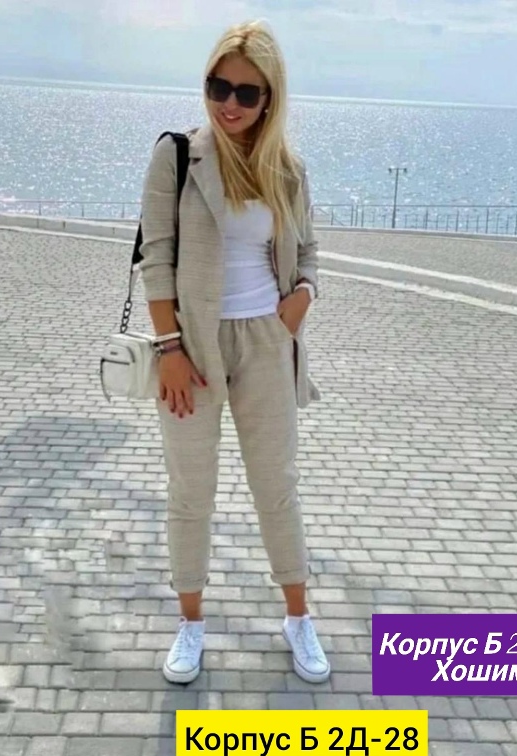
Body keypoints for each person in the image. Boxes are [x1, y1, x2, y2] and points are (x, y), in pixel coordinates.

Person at [138, 20, 330, 686]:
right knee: (191, 491)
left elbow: (308, 249)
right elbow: (156, 258)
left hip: (267, 344)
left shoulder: (288, 169)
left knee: (276, 487)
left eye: (247, 92)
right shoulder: (178, 157)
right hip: (189, 349)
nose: (230, 103)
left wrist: (302, 297)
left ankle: (298, 617)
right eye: (219, 86)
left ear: (270, 97)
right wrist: (168, 347)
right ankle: (191, 622)